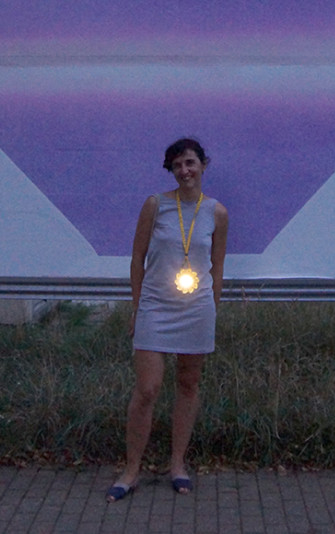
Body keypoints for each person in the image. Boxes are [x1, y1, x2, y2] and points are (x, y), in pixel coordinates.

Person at [105, 138, 228, 502]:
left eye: (190, 163)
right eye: (177, 166)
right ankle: (131, 469)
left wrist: (213, 310)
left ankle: (177, 464)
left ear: (204, 164)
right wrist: (137, 306)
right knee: (148, 389)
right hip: (156, 307)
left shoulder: (217, 213)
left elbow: (217, 267)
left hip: (197, 309)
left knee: (188, 385)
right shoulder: (155, 205)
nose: (184, 171)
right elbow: (137, 258)